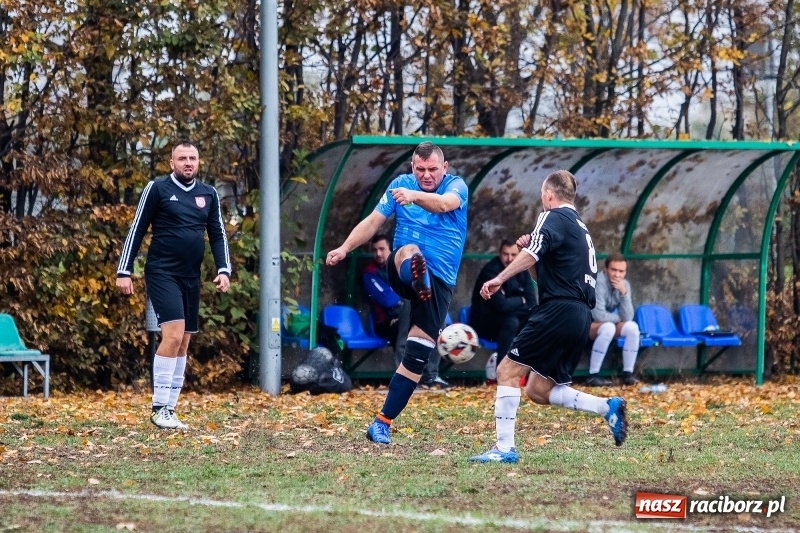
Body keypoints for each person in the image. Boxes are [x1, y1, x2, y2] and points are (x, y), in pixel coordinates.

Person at [469, 170, 627, 464]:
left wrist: (500, 277)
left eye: (542, 196)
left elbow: (537, 259)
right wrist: (529, 251)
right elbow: (542, 272)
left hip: (558, 310)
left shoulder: (552, 217)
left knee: (506, 371)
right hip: (579, 315)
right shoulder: (580, 227)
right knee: (538, 390)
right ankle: (607, 407)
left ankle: (504, 449)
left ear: (548, 195)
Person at [327, 141, 467, 444]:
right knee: (410, 252)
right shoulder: (400, 184)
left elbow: (444, 204)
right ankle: (418, 275)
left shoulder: (457, 186)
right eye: (420, 169)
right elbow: (374, 221)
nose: (426, 175)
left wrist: (415, 196)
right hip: (403, 269)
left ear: (444, 168)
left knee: (416, 358)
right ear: (412, 167)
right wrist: (345, 248)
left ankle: (381, 423)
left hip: (440, 283)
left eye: (432, 170)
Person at [116, 141, 232, 430]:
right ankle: (158, 407)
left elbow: (217, 233)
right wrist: (124, 270)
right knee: (173, 334)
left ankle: (170, 408)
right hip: (162, 272)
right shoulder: (157, 189)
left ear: (199, 162)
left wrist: (223, 269)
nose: (188, 163)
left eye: (192, 158)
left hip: (191, 276)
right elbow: (137, 229)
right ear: (172, 163)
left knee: (184, 341)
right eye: (182, 158)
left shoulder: (209, 193)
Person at [362, 235, 451, 389]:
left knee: (436, 324)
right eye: (375, 250)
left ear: (390, 249)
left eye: (382, 249)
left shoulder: (403, 267)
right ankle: (405, 379)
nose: (378, 254)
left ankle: (431, 376)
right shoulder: (370, 272)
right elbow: (387, 299)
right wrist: (410, 290)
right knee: (408, 317)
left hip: (410, 313)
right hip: (387, 322)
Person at [469, 239, 537, 365]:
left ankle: (535, 371)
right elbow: (500, 305)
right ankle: (501, 371)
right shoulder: (491, 271)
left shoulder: (523, 271)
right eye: (505, 254)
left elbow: (532, 304)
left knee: (538, 320)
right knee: (511, 322)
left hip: (512, 318)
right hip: (485, 323)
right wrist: (521, 299)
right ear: (499, 254)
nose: (509, 259)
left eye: (513, 255)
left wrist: (511, 302)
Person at [586, 253, 640, 386]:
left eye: (621, 271)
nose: (617, 275)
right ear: (605, 269)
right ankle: (593, 375)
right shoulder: (598, 281)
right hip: (585, 324)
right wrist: (618, 319)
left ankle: (628, 374)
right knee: (608, 327)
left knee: (632, 327)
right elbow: (598, 315)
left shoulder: (624, 285)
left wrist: (624, 294)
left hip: (605, 325)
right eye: (613, 270)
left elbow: (628, 317)